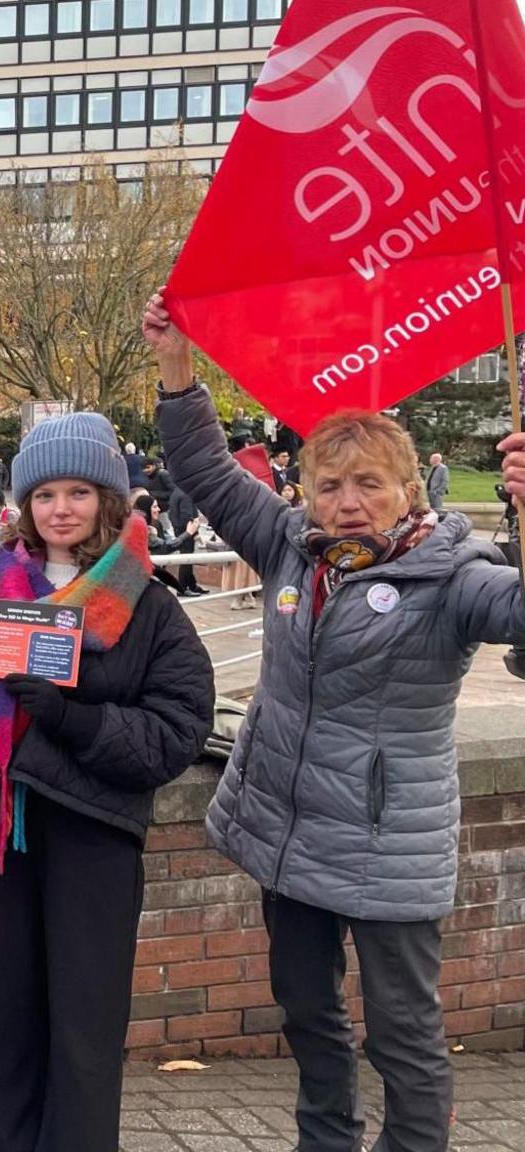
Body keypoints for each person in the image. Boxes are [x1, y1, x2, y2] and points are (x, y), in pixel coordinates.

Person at [147, 292, 525, 1152]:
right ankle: (327, 1141)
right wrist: (177, 364)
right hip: (288, 833)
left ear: (406, 488)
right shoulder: (289, 547)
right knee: (308, 1016)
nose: (348, 500)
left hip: (388, 844)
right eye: (330, 484)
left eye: (369, 484)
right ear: (306, 493)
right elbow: (205, 471)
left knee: (403, 1033)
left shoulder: (454, 575)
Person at [0, 412, 213, 1152]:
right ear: (23, 503)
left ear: (108, 500)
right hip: (8, 828)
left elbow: (177, 730)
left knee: (83, 1027)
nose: (59, 509)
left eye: (78, 492)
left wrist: (76, 721)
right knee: (5, 1021)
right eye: (44, 495)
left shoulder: (150, 605)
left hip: (92, 834)